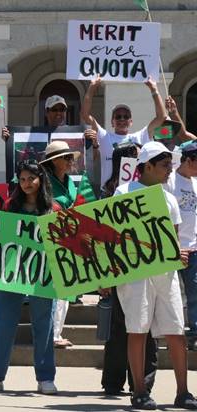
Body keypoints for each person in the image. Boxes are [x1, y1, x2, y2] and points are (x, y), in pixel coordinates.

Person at [112, 141, 197, 409]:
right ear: (146, 166)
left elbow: (171, 238)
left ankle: (183, 392)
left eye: (170, 165)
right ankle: (139, 392)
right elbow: (115, 234)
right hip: (135, 273)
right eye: (164, 165)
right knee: (137, 329)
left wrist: (178, 253)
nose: (169, 170)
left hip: (166, 273)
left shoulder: (170, 198)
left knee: (175, 331)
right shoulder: (123, 192)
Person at [0, 160, 61, 394]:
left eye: (31, 178)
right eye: (22, 179)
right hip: (10, 274)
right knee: (2, 324)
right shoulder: (9, 206)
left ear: (41, 179)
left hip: (43, 276)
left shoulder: (55, 209)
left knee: (45, 325)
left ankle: (45, 378)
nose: (27, 183)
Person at [99, 141, 158, 395]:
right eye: (136, 155)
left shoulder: (151, 189)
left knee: (141, 325)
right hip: (124, 266)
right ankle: (122, 381)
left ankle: (135, 382)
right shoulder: (114, 191)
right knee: (123, 326)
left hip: (146, 265)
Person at [80, 75, 165, 187]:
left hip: (135, 192)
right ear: (112, 122)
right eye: (118, 116)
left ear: (131, 122)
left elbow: (161, 117)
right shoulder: (105, 136)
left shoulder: (140, 136)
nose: (122, 119)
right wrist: (92, 87)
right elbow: (85, 115)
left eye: (126, 117)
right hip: (110, 193)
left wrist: (154, 90)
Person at [40, 140, 81, 348]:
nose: (70, 161)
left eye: (70, 157)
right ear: (54, 161)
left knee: (65, 287)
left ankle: (56, 332)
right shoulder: (43, 180)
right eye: (66, 157)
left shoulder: (71, 182)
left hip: (69, 237)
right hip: (48, 237)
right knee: (54, 287)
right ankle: (52, 334)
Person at [166, 142, 197, 351]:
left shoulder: (196, 182)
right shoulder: (168, 181)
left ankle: (194, 333)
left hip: (194, 247)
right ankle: (172, 336)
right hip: (173, 248)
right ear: (188, 160)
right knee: (171, 296)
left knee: (195, 291)